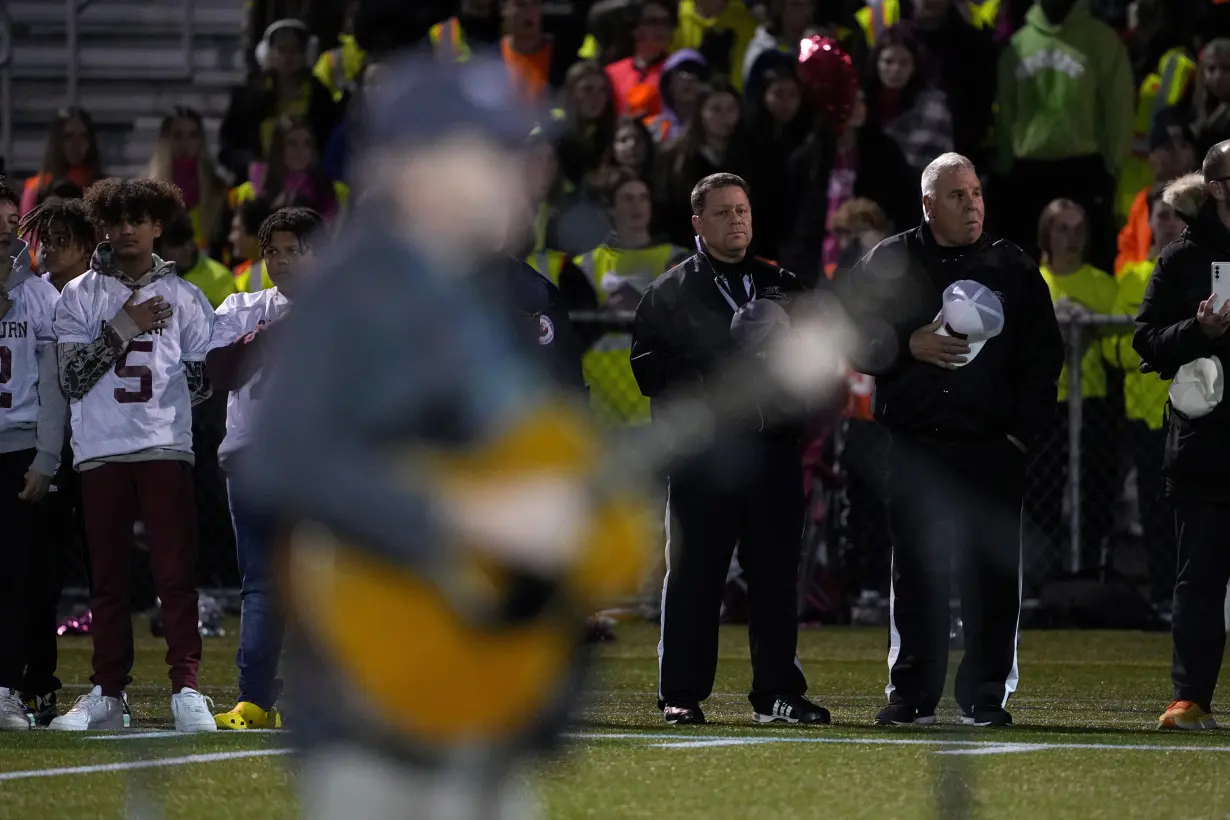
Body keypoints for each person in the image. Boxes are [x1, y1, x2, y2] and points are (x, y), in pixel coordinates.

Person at [236, 53, 646, 818]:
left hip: (473, 697)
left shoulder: (470, 293)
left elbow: (521, 450)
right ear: (413, 166)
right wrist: (461, 517)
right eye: (489, 154)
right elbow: (287, 459)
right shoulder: (353, 287)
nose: (520, 174)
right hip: (378, 706)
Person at [836, 153, 1063, 727]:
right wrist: (903, 344)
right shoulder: (889, 262)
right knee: (915, 571)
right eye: (958, 195)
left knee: (990, 573)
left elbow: (1044, 359)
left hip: (991, 446)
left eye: (977, 193)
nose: (972, 204)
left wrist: (1017, 436)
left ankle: (986, 693)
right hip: (915, 446)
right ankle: (910, 691)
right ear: (928, 203)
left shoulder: (1012, 266)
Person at [631, 172, 828, 726]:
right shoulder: (668, 291)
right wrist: (723, 353)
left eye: (742, 210)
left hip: (772, 451)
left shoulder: (784, 284)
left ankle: (777, 693)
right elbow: (649, 374)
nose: (736, 220)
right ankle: (681, 693)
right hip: (703, 456)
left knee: (775, 578)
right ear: (697, 223)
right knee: (695, 575)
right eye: (722, 213)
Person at [47, 178, 217, 733]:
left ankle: (186, 688)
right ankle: (109, 693)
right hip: (101, 450)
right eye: (117, 219)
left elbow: (200, 386)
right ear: (103, 224)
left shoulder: (188, 297)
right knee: (109, 581)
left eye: (137, 219)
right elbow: (71, 378)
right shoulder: (78, 295)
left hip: (164, 445)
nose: (126, 229)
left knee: (175, 575)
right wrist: (127, 325)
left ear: (157, 226)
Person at [209, 207, 324, 731]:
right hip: (255, 456)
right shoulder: (242, 305)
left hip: (312, 460)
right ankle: (255, 698)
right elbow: (219, 372)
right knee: (263, 584)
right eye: (272, 251)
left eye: (291, 250)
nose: (278, 261)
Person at [1133, 141, 1230, 731]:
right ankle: (1190, 697)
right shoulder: (1181, 259)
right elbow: (1145, 341)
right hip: (1208, 444)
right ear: (1218, 188)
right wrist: (1198, 330)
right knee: (1198, 577)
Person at [15, 196, 95, 726]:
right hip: (47, 446)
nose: (48, 250)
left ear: (88, 246)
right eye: (44, 239)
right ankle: (32, 683)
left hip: (92, 448)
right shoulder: (33, 295)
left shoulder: (88, 299)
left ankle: (95, 687)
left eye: (62, 240)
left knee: (75, 576)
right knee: (30, 575)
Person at [0, 179, 67, 731]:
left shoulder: (42, 296)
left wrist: (47, 456)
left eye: (7, 222)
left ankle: (7, 688)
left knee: (19, 577)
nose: (5, 232)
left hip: (19, 448)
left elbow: (53, 386)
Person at [158, 213, 238, 308]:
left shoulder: (221, 279)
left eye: (171, 246)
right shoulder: (150, 276)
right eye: (176, 245)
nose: (187, 248)